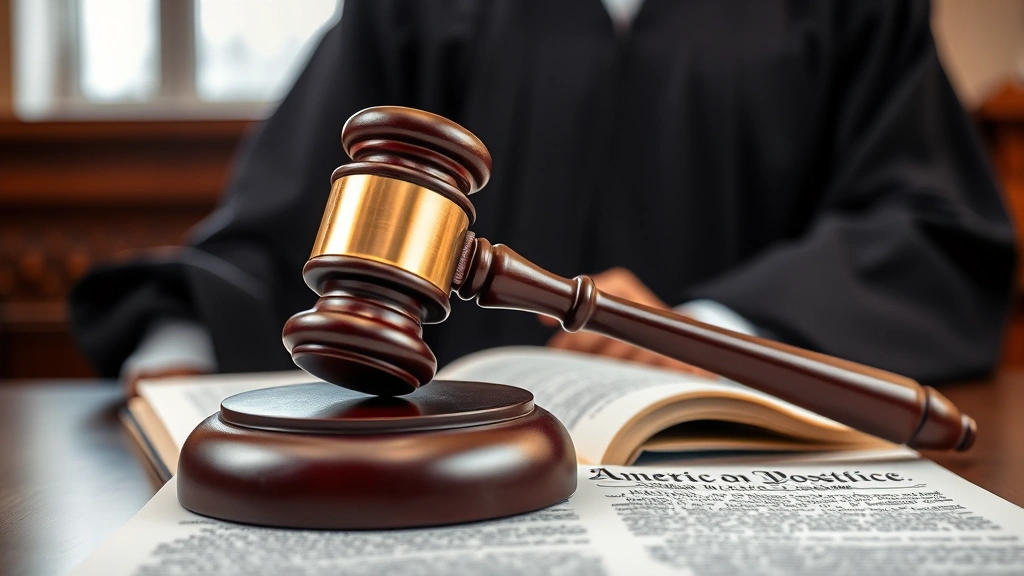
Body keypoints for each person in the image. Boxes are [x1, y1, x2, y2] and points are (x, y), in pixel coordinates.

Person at [69, 0, 1017, 395]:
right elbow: (288, 231)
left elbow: (926, 229)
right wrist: (179, 364)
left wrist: (709, 327)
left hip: (728, 453)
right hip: (435, 459)